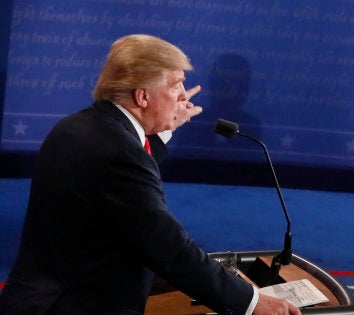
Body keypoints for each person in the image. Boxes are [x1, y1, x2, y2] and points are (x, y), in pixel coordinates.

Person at [0, 34, 300, 315]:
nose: (184, 94)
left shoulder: (77, 128)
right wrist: (252, 302)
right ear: (143, 96)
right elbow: (168, 247)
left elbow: (118, 193)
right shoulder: (118, 153)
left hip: (37, 297)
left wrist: (162, 132)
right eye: (175, 85)